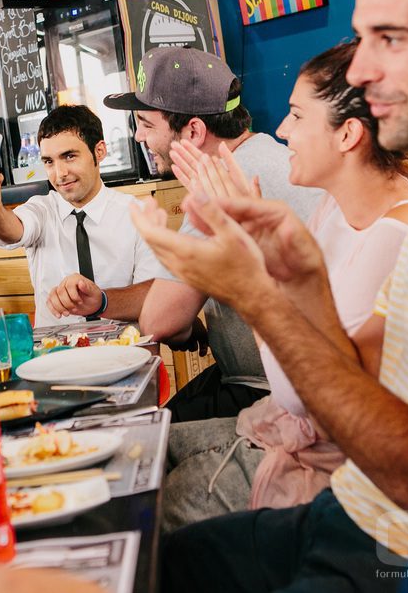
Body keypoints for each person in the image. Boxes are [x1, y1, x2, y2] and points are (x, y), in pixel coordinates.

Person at [129, 0, 408, 589]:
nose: (361, 70)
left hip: (393, 552)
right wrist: (295, 273)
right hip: (348, 512)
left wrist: (258, 291)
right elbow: (354, 376)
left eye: (389, 38)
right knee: (144, 556)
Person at [160, 39, 408, 531]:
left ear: (347, 135)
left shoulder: (397, 235)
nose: (281, 131)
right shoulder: (334, 205)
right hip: (285, 421)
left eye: (297, 116)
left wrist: (251, 271)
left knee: (156, 515)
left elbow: (302, 396)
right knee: (142, 454)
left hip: (339, 467)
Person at [48, 47, 322, 420]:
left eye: (146, 123)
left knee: (143, 434)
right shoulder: (262, 155)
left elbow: (161, 322)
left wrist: (179, 314)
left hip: (281, 396)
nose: (139, 136)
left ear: (193, 130)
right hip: (272, 380)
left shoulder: (224, 182)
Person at [0, 104, 166, 328]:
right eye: (49, 162)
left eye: (69, 156)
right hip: (53, 353)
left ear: (99, 151)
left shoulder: (137, 214)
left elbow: (153, 294)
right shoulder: (42, 209)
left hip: (123, 350)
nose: (60, 174)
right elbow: (13, 231)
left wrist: (100, 300)